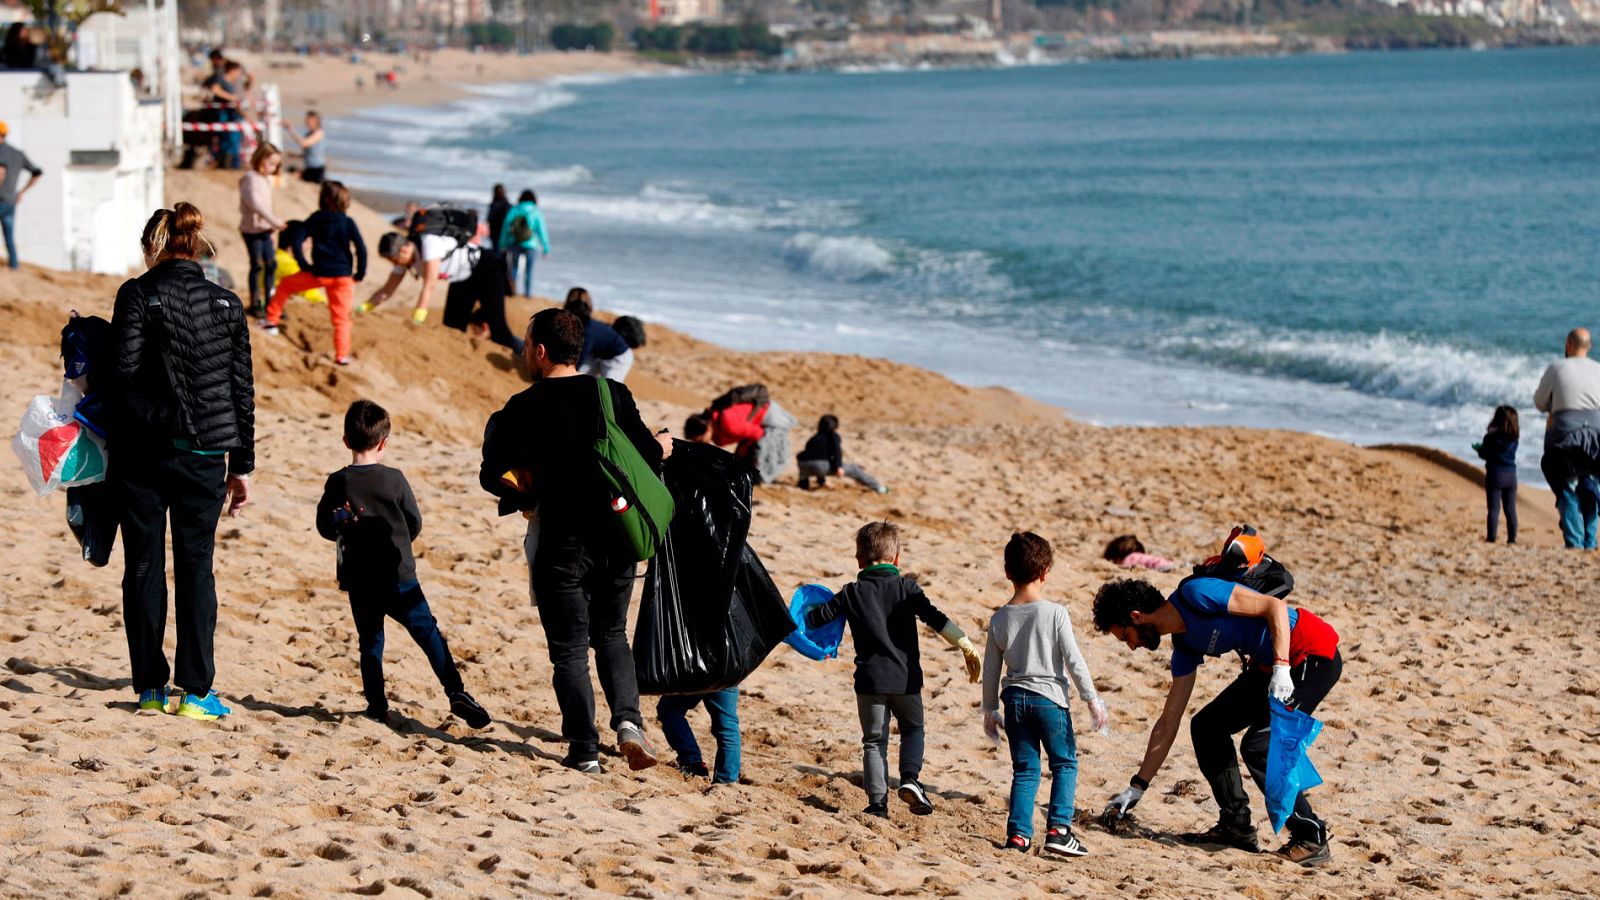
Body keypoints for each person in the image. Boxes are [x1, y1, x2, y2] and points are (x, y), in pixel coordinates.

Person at [478, 309, 674, 773]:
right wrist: (663, 445)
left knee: (568, 650)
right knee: (611, 635)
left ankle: (584, 751)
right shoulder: (610, 393)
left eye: (527, 346)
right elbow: (644, 457)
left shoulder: (520, 407)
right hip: (618, 535)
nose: (525, 353)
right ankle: (628, 724)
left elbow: (491, 475)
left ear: (541, 352)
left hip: (562, 541)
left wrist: (524, 491)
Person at [109, 203, 254, 722]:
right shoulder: (227, 303)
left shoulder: (138, 294)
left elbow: (121, 380)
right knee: (197, 570)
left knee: (144, 566)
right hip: (204, 456)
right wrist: (242, 465)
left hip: (143, 456)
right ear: (195, 245)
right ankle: (195, 694)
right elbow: (241, 390)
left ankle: (150, 687)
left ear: (155, 245)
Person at [1093, 575, 1341, 867]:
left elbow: (1274, 607)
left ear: (1136, 617)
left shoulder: (1195, 593)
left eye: (1125, 637)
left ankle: (1311, 837)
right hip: (1268, 667)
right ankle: (1236, 826)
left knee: (1259, 746)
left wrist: (1281, 667)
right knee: (1206, 726)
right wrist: (1137, 787)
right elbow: (1168, 721)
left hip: (1308, 654)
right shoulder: (1184, 645)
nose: (1131, 647)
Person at [316, 399, 491, 728]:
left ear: (345, 441)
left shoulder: (338, 482)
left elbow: (325, 527)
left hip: (359, 579)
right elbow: (414, 523)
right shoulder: (394, 480)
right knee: (427, 632)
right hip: (399, 577)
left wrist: (345, 526)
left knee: (370, 641)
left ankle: (377, 705)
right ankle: (456, 691)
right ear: (383, 443)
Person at [803, 521, 983, 818]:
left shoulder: (850, 593)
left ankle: (877, 804)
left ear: (859, 560)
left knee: (874, 742)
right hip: (905, 680)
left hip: (869, 682)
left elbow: (816, 619)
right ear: (897, 559)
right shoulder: (907, 588)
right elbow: (936, 619)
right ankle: (910, 778)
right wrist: (964, 643)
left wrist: (802, 611)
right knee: (913, 729)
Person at [982, 532, 1108, 856]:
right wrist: (1091, 699)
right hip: (1050, 700)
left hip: (1015, 701)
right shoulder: (1055, 613)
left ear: (1007, 572)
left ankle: (1019, 836)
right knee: (1065, 762)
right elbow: (1074, 660)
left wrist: (989, 710)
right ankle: (1059, 829)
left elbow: (991, 670)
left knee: (1025, 769)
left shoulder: (998, 619)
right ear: (1045, 572)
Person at [368, 228, 523, 355]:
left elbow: (429, 286)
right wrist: (363, 308)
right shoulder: (404, 258)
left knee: (499, 330)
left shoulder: (429, 244)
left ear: (403, 250)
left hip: (486, 268)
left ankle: (526, 354)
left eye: (394, 260)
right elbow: (386, 290)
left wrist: (416, 322)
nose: (395, 264)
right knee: (452, 327)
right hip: (461, 278)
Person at [262, 181, 367, 364]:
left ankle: (271, 320)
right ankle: (341, 356)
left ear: (323, 199)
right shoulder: (348, 222)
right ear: (344, 201)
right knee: (341, 319)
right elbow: (361, 248)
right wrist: (360, 273)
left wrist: (303, 265)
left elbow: (296, 241)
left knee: (285, 285)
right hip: (343, 277)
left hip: (318, 273)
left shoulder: (315, 219)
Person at [1534, 328, 1600, 550]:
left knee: (1565, 486)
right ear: (1589, 347)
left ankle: (1574, 542)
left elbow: (1539, 402)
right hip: (1596, 438)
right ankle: (1590, 541)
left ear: (1568, 344)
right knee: (1590, 483)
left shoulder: (1556, 368)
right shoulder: (1598, 369)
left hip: (1564, 436)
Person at [238, 142, 285, 317]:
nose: (273, 168)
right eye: (271, 163)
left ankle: (270, 301)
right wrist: (274, 221)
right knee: (257, 264)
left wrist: (272, 227)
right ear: (260, 159)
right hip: (252, 230)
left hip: (265, 229)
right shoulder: (250, 178)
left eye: (276, 165)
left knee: (271, 264)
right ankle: (256, 302)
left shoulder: (265, 179)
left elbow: (267, 205)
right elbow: (255, 204)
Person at [657, 687, 740, 785]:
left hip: (699, 676)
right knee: (728, 727)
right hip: (729, 676)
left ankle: (693, 763)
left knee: (669, 709)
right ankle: (727, 780)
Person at [797, 414, 887, 493]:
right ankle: (879, 488)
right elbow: (837, 451)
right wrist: (838, 467)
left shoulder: (813, 439)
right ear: (835, 427)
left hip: (805, 466)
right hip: (820, 466)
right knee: (854, 468)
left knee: (817, 459)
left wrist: (821, 481)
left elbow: (813, 455)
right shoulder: (833, 436)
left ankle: (803, 483)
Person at [563, 288, 632, 381]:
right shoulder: (583, 325)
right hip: (596, 353)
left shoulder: (588, 332)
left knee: (610, 388)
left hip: (617, 357)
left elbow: (579, 360)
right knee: (582, 379)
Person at [0, 121, 43, 269]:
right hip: (11, 201)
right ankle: (13, 266)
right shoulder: (17, 153)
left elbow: (1, 171)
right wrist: (22, 192)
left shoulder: (1, 151)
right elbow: (37, 172)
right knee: (9, 237)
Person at [1475, 405, 1519, 544]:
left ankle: (1491, 538)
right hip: (1511, 475)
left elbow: (1485, 454)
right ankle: (1512, 539)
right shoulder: (1514, 438)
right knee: (1510, 509)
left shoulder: (1491, 437)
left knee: (1494, 509)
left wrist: (1479, 450)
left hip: (1495, 474)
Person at [500, 189, 550, 297]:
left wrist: (502, 244)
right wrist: (546, 248)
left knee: (514, 269)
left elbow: (505, 227)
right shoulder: (536, 211)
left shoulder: (515, 209)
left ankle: (512, 292)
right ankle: (527, 294)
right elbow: (542, 231)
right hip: (531, 245)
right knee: (529, 271)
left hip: (515, 243)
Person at [204, 60, 246, 169]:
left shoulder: (231, 82)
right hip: (224, 114)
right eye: (237, 71)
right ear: (232, 70)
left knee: (233, 140)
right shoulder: (221, 79)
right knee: (228, 139)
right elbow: (215, 89)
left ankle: (230, 164)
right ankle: (226, 164)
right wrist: (231, 97)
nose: (238, 74)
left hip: (232, 115)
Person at [287, 111, 327, 183]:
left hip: (317, 168)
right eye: (306, 119)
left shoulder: (319, 133)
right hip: (308, 167)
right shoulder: (308, 134)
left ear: (316, 120)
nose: (306, 121)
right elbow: (308, 154)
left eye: (309, 119)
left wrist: (290, 129)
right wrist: (295, 155)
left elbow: (304, 143)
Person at [1103, 535, 1176, 572]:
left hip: (1158, 566)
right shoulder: (1140, 555)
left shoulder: (1129, 558)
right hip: (1165, 563)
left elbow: (1125, 567)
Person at [485, 184, 511, 252]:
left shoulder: (494, 204)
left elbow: (489, 219)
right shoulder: (508, 204)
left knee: (496, 254)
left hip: (495, 233)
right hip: (506, 233)